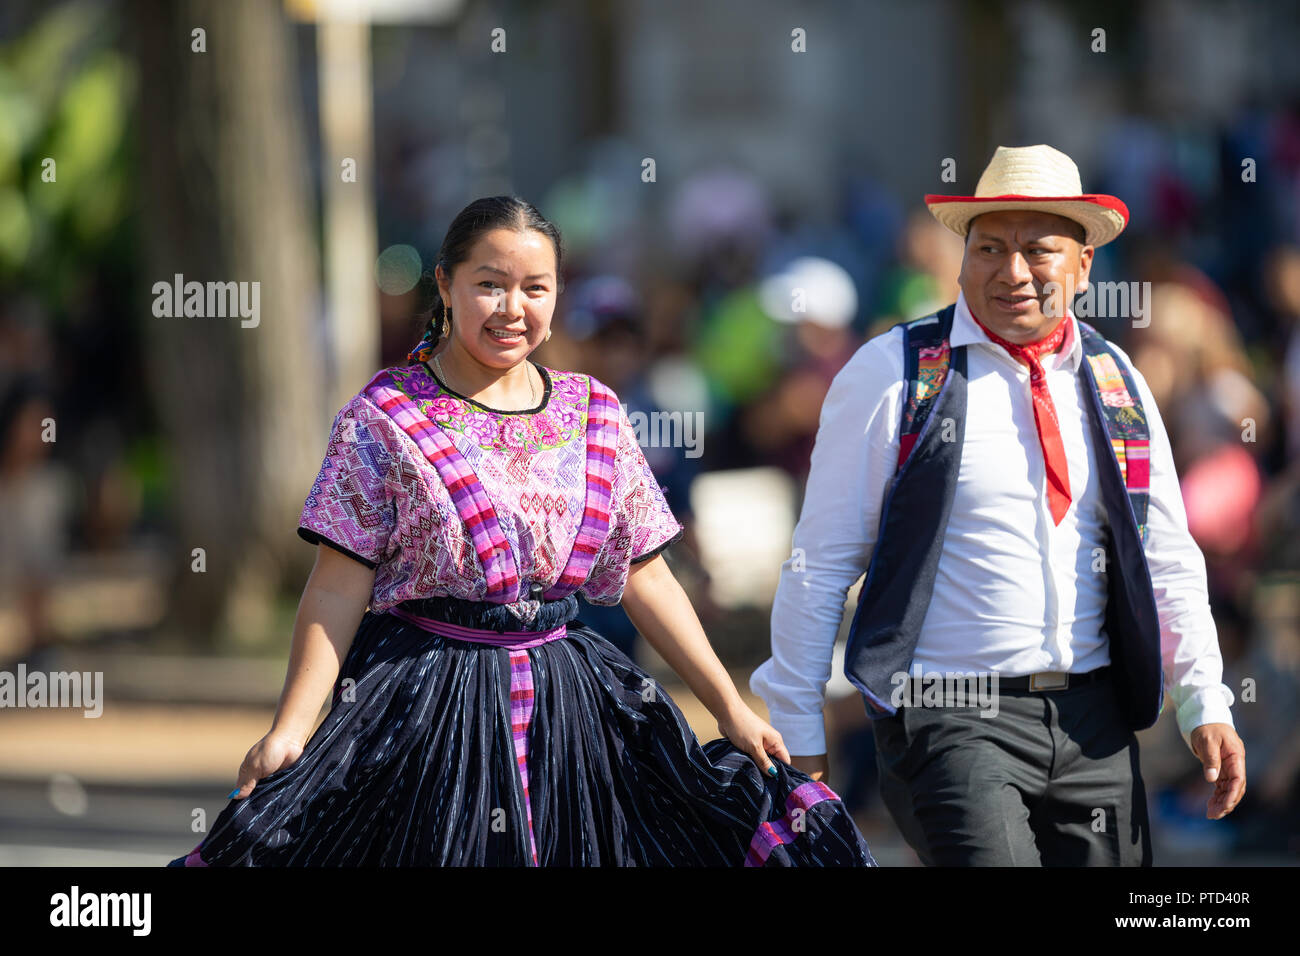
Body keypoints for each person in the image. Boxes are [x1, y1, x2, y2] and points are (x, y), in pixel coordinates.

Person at [167, 196, 875, 866]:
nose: (513, 308)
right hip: (423, 708)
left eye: (536, 288)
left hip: (572, 708)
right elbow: (335, 587)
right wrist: (292, 728)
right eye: (490, 284)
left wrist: (730, 709)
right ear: (444, 285)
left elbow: (644, 575)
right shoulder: (382, 418)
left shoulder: (592, 413)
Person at [751, 145, 1247, 866]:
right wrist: (799, 730)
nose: (1011, 272)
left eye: (1038, 251)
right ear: (960, 259)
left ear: (1082, 267)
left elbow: (1166, 553)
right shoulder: (894, 373)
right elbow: (819, 563)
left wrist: (1206, 701)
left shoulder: (1116, 380)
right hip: (950, 717)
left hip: (1095, 719)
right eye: (989, 248)